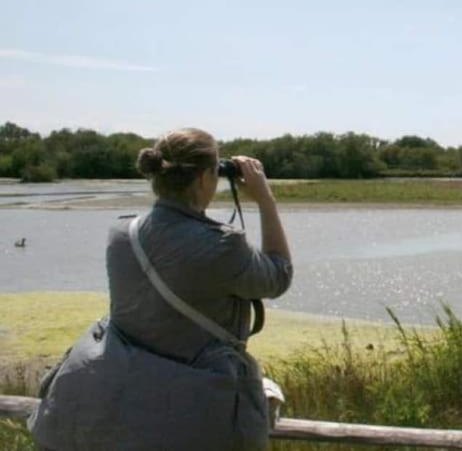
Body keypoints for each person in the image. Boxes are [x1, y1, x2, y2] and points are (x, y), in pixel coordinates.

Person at [29, 128, 293, 450]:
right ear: (202, 179)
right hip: (196, 410)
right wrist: (266, 200)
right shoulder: (223, 245)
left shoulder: (122, 234)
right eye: (215, 172)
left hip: (127, 399)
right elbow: (279, 276)